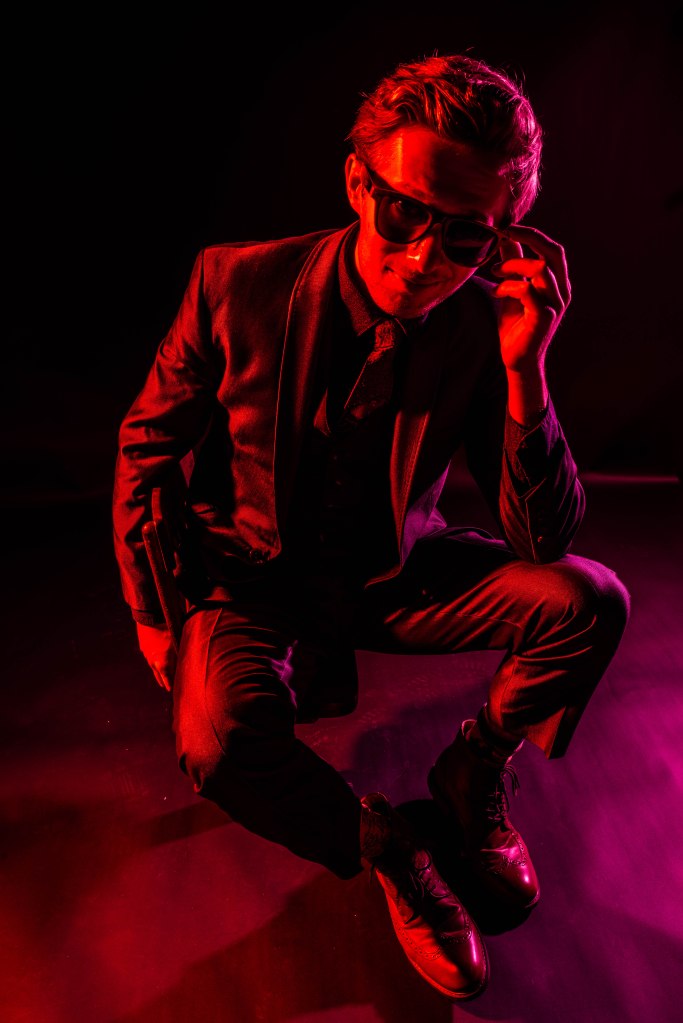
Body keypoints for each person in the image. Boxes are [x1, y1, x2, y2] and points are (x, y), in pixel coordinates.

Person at [112, 53, 630, 1001]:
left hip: (394, 572)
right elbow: (147, 450)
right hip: (252, 578)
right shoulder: (235, 283)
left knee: (586, 599)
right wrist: (154, 613)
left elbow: (543, 540)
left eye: (464, 234)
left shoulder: (482, 327)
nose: (425, 258)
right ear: (358, 181)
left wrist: (526, 371)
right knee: (218, 739)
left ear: (501, 236)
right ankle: (386, 846)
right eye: (403, 213)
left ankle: (472, 775)